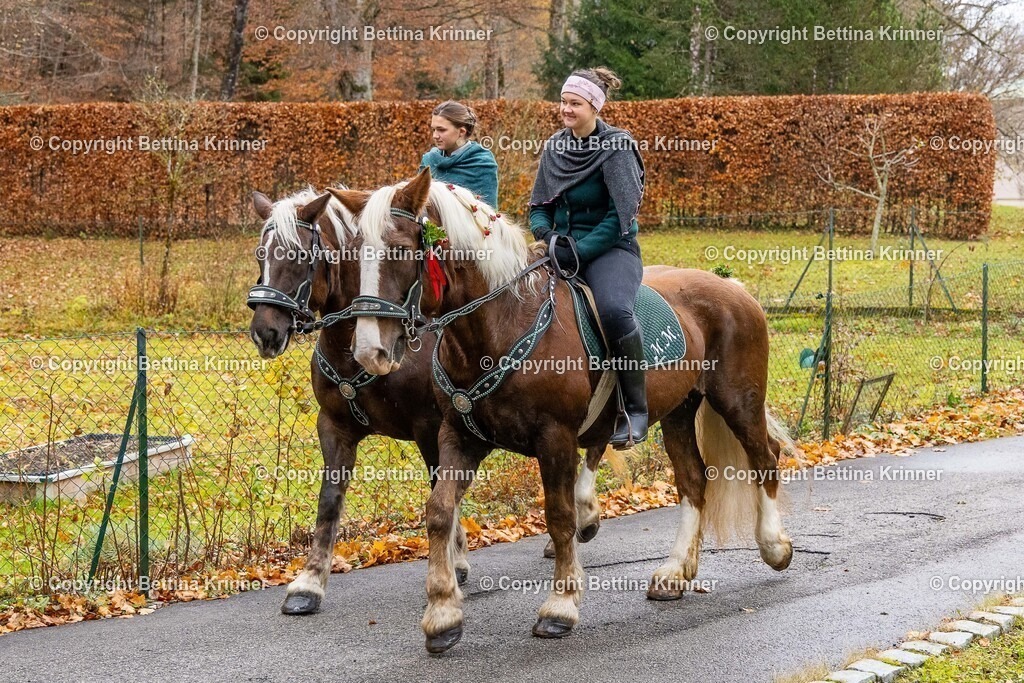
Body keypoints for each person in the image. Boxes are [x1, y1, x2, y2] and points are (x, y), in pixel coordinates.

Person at [528, 67, 647, 448]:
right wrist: (547, 237)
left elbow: (620, 217)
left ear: (595, 106)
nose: (566, 109)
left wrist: (580, 249)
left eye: (575, 103)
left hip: (612, 249)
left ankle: (635, 410)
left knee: (613, 310)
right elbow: (538, 206)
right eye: (563, 101)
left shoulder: (617, 146)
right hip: (559, 249)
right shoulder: (555, 146)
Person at [419, 100, 499, 209]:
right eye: (434, 129)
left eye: (441, 130)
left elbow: (488, 215)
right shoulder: (429, 161)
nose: (435, 136)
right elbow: (418, 205)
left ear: (461, 131)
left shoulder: (482, 163)